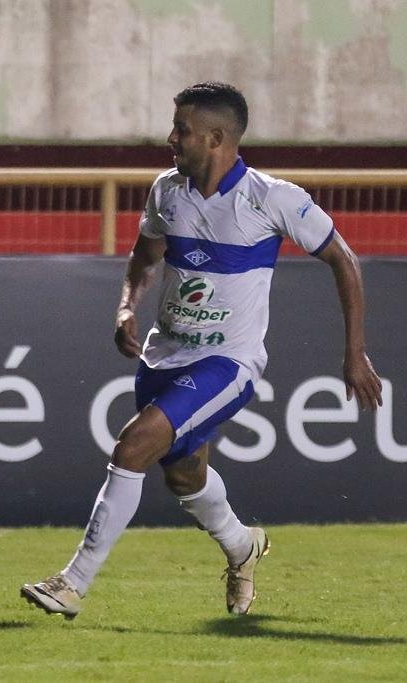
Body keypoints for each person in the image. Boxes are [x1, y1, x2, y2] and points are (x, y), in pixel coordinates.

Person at [21, 81, 383, 620]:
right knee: (184, 475)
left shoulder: (272, 198)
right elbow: (145, 257)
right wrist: (126, 307)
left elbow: (344, 259)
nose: (171, 138)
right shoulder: (167, 190)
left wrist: (355, 352)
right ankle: (242, 545)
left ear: (216, 138)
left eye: (182, 129)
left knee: (133, 446)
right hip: (163, 355)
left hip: (228, 362)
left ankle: (71, 584)